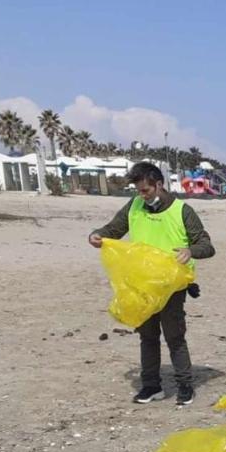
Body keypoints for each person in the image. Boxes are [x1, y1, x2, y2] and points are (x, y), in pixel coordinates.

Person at [89, 161, 215, 405]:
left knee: (174, 337)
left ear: (159, 185)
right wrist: (97, 235)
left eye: (146, 190)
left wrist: (190, 251)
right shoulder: (135, 205)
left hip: (172, 286)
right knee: (147, 336)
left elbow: (207, 245)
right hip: (142, 284)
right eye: (138, 190)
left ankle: (185, 387)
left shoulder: (182, 210)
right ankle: (151, 386)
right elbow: (114, 229)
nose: (142, 195)